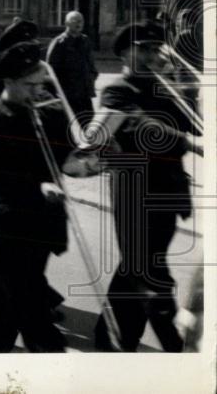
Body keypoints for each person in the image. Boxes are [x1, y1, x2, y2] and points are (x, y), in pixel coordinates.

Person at [90, 22, 201, 352]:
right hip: (135, 194)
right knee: (146, 267)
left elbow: (188, 121)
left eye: (156, 49)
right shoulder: (117, 90)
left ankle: (113, 339)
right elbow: (143, 127)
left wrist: (189, 90)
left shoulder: (165, 88)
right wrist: (190, 143)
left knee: (140, 266)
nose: (154, 55)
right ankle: (171, 344)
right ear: (126, 53)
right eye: (146, 49)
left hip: (168, 191)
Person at [0, 41, 89, 352]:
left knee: (6, 311)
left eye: (41, 84)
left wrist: (91, 164)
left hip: (45, 223)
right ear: (9, 82)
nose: (38, 91)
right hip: (11, 223)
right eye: (30, 85)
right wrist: (37, 186)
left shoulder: (51, 113)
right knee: (30, 310)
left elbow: (67, 161)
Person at [46, 11, 98, 122]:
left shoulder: (85, 41)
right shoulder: (59, 43)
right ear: (66, 23)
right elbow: (50, 71)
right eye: (75, 20)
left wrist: (92, 77)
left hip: (84, 94)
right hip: (68, 95)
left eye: (81, 21)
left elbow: (91, 65)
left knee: (89, 125)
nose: (79, 23)